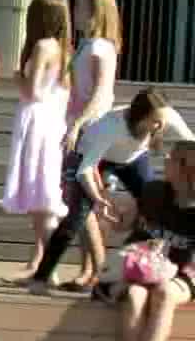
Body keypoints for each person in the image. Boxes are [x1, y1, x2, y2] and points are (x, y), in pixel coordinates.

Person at [28, 89, 194, 296]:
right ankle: (40, 279)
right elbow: (85, 170)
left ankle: (145, 268)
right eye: (154, 122)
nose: (160, 127)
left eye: (162, 121)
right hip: (93, 161)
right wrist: (97, 198)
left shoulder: (167, 116)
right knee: (75, 219)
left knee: (154, 199)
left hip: (132, 159)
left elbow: (191, 145)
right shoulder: (110, 127)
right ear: (139, 117)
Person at [1, 0, 73, 284]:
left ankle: (47, 265)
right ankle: (40, 261)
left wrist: (17, 77)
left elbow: (32, 91)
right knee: (40, 192)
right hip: (51, 120)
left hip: (37, 121)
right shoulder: (63, 48)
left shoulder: (43, 46)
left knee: (40, 192)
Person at [114, 141, 195, 341]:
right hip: (142, 267)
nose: (165, 160)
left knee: (165, 293)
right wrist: (111, 214)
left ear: (186, 168)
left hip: (183, 271)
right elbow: (123, 226)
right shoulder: (153, 191)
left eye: (172, 159)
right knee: (134, 295)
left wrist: (169, 271)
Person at [58, 0, 124, 291]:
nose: (75, 12)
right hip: (79, 126)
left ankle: (98, 270)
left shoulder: (100, 48)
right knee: (77, 200)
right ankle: (88, 269)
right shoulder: (87, 45)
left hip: (91, 129)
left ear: (96, 12)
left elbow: (100, 95)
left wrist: (78, 125)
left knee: (81, 203)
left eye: (81, 7)